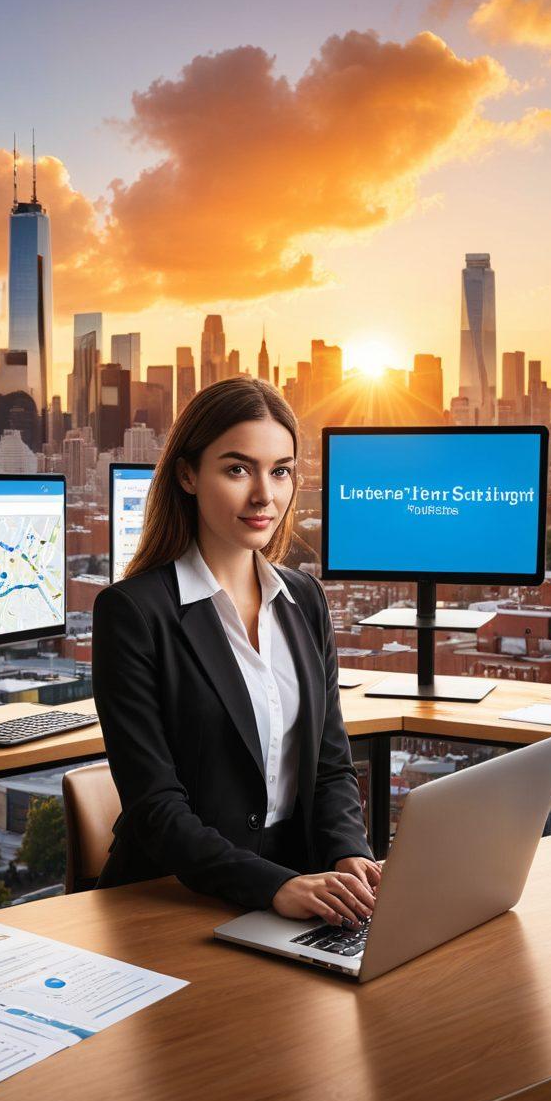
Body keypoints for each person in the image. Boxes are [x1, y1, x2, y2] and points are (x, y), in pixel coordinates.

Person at [92, 378, 381, 927]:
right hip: (172, 900)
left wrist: (350, 854)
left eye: (280, 471)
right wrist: (275, 887)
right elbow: (155, 809)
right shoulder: (132, 613)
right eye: (236, 469)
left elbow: (329, 766)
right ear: (186, 475)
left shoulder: (304, 599)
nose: (264, 496)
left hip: (299, 892)